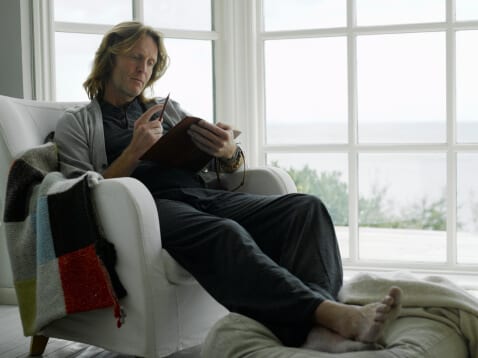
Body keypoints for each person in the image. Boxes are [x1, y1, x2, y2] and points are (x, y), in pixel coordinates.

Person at [54, 21, 402, 353]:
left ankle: (316, 329)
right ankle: (330, 316)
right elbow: (83, 196)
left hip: (200, 194)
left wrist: (227, 151)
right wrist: (134, 150)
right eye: (135, 57)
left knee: (305, 208)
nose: (143, 68)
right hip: (149, 208)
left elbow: (224, 170)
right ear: (111, 55)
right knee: (224, 232)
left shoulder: (167, 109)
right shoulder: (77, 123)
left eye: (150, 61)